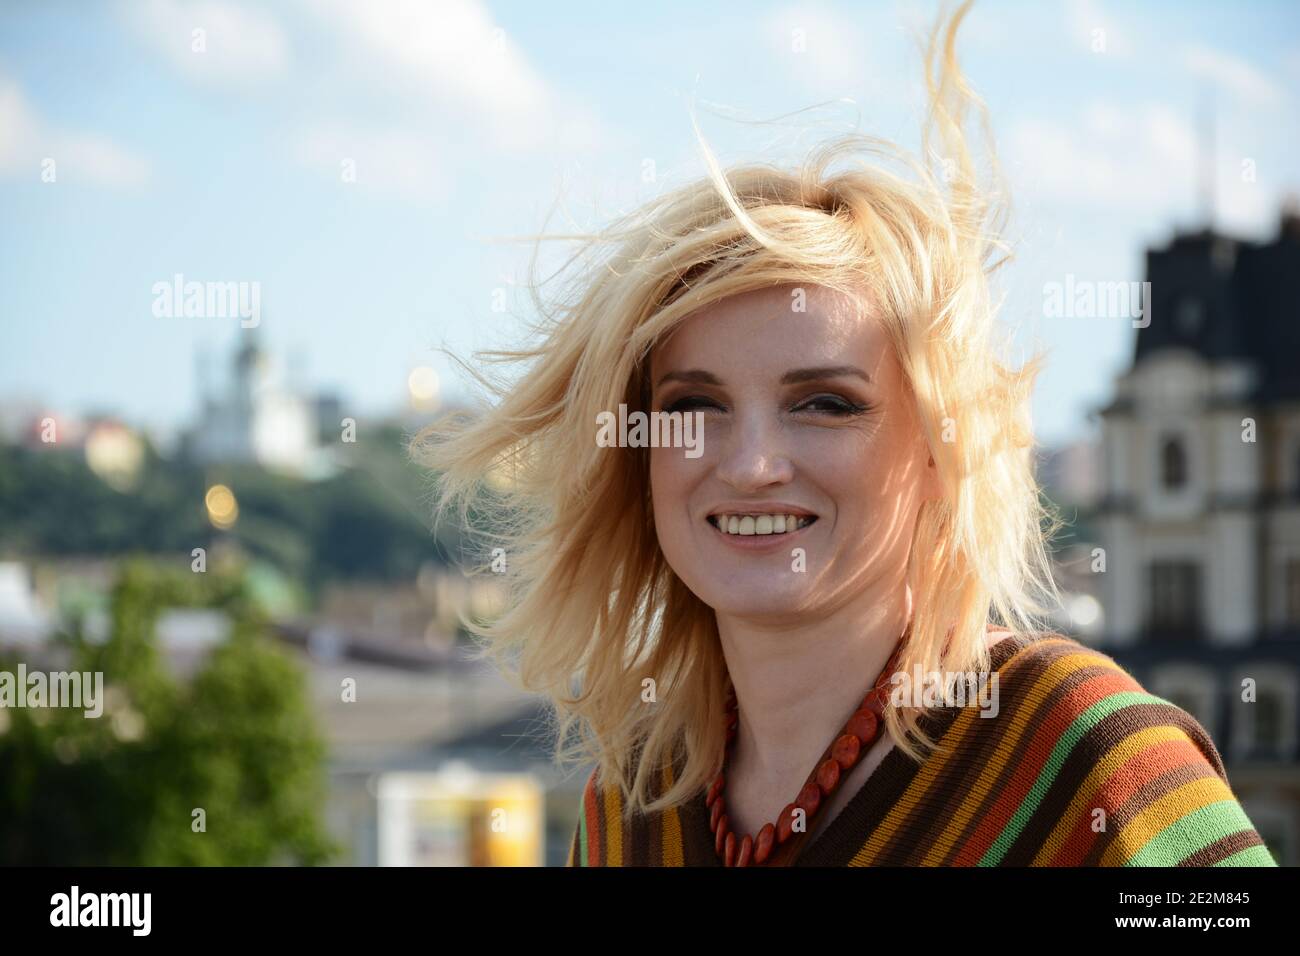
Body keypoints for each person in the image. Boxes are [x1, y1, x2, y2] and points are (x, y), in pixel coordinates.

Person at [414, 1, 1277, 867]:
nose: (751, 465)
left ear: (943, 450)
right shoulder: (633, 802)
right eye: (693, 406)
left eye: (824, 403)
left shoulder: (1091, 761)